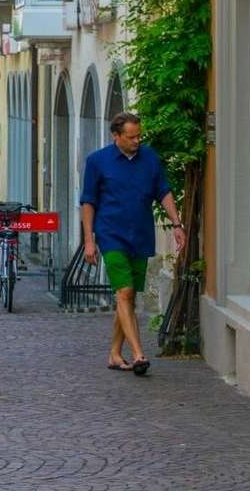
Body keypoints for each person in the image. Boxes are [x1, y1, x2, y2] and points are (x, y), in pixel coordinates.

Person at [81, 111, 185, 376]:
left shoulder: (149, 157)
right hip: (110, 235)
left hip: (140, 234)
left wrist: (176, 224)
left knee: (127, 298)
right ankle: (139, 354)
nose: (137, 141)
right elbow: (88, 203)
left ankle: (115, 353)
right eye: (131, 137)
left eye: (139, 135)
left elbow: (163, 190)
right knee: (124, 292)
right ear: (116, 136)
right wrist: (89, 241)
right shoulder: (97, 161)